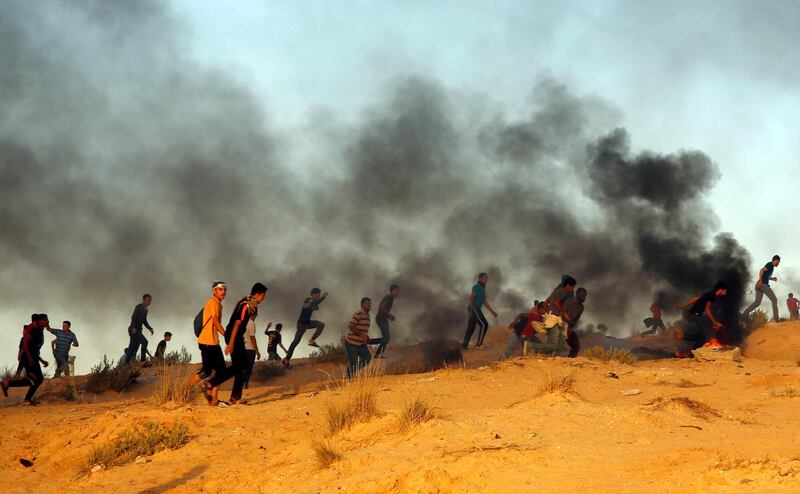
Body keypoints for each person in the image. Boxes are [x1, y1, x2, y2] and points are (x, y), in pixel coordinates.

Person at [192, 281, 233, 406]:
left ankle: (214, 400)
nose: (223, 292)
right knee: (206, 371)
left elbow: (215, 324)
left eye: (224, 289)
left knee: (221, 372)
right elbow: (215, 322)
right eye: (220, 289)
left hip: (213, 342)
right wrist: (227, 335)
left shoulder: (219, 305)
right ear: (214, 291)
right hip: (207, 342)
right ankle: (182, 389)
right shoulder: (213, 302)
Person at [225, 283, 268, 404]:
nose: (264, 298)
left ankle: (235, 397)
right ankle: (215, 383)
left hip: (236, 338)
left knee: (241, 368)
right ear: (258, 294)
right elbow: (237, 324)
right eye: (263, 295)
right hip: (235, 338)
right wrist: (231, 344)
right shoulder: (246, 305)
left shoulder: (249, 304)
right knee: (240, 368)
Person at [3, 314, 49, 405]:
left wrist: (41, 360)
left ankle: (9, 384)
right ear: (39, 321)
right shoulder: (35, 330)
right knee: (38, 379)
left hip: (33, 357)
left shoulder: (39, 331)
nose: (46, 322)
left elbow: (34, 349)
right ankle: (25, 398)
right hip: (28, 358)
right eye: (45, 320)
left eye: (47, 320)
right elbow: (25, 342)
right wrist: (29, 357)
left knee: (36, 380)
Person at [676, 281, 729, 353]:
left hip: (692, 315)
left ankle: (683, 337)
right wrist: (715, 322)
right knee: (702, 338)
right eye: (725, 291)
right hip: (695, 315)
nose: (725, 293)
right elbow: (707, 310)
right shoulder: (712, 296)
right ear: (720, 289)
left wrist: (685, 305)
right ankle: (688, 345)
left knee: (701, 336)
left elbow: (696, 298)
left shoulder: (709, 293)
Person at [284, 288, 328, 368]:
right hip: (301, 324)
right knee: (296, 341)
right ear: (313, 294)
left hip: (307, 323)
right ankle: (287, 359)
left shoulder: (312, 301)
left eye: (319, 296)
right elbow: (310, 304)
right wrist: (323, 297)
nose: (318, 297)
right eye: (317, 296)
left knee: (321, 324)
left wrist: (315, 305)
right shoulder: (308, 299)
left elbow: (315, 306)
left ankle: (312, 340)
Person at [462, 273, 498, 349]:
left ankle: (464, 345)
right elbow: (472, 297)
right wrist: (470, 308)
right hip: (474, 308)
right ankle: (479, 344)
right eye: (485, 278)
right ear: (480, 278)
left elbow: (484, 302)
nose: (486, 280)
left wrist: (492, 312)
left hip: (476, 308)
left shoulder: (483, 288)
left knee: (471, 327)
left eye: (487, 278)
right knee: (484, 324)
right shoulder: (477, 287)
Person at [743, 255, 782, 322]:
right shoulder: (770, 264)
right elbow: (761, 270)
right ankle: (776, 318)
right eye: (778, 262)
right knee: (774, 299)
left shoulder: (771, 267)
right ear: (775, 260)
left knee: (757, 303)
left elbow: (765, 275)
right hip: (762, 285)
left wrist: (771, 278)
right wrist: (761, 281)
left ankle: (744, 314)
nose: (778, 263)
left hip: (758, 285)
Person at [545, 276, 577, 350]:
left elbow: (546, 302)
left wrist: (548, 313)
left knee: (554, 342)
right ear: (568, 285)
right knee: (555, 344)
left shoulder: (557, 291)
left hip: (551, 317)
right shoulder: (563, 292)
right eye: (572, 287)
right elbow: (556, 303)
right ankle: (532, 346)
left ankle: (549, 358)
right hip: (553, 319)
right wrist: (564, 313)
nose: (572, 289)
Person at [369, 284, 399, 358]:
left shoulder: (390, 298)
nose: (398, 293)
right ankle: (370, 345)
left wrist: (389, 316)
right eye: (397, 291)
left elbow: (382, 308)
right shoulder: (389, 297)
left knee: (386, 338)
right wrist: (389, 315)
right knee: (387, 338)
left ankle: (377, 353)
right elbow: (381, 306)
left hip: (382, 318)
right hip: (381, 319)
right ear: (393, 290)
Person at [345, 297, 373, 378]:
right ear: (362, 305)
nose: (369, 306)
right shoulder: (358, 314)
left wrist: (366, 336)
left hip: (360, 343)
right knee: (353, 362)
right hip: (351, 343)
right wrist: (361, 334)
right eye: (368, 304)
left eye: (370, 304)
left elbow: (363, 330)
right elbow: (351, 326)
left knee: (368, 358)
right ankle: (349, 376)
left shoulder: (368, 316)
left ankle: (350, 371)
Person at [124, 294, 155, 364]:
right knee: (144, 342)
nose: (149, 302)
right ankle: (143, 360)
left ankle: (127, 363)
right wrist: (133, 327)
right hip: (134, 330)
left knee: (133, 348)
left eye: (150, 300)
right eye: (148, 300)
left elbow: (144, 321)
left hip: (139, 331)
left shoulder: (146, 310)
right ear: (143, 300)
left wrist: (150, 328)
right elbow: (133, 317)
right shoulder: (139, 307)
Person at [562, 287, 587, 358]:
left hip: (569, 328)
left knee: (576, 346)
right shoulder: (568, 302)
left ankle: (569, 361)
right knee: (557, 346)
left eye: (585, 295)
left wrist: (570, 328)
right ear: (577, 294)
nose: (584, 297)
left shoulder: (581, 307)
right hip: (561, 326)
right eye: (582, 295)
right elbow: (561, 312)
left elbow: (576, 319)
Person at [243, 316, 264, 389]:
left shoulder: (243, 321)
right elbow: (252, 338)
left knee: (243, 367)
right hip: (250, 348)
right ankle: (245, 384)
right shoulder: (251, 323)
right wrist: (257, 351)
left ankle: (241, 384)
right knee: (249, 368)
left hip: (243, 347)